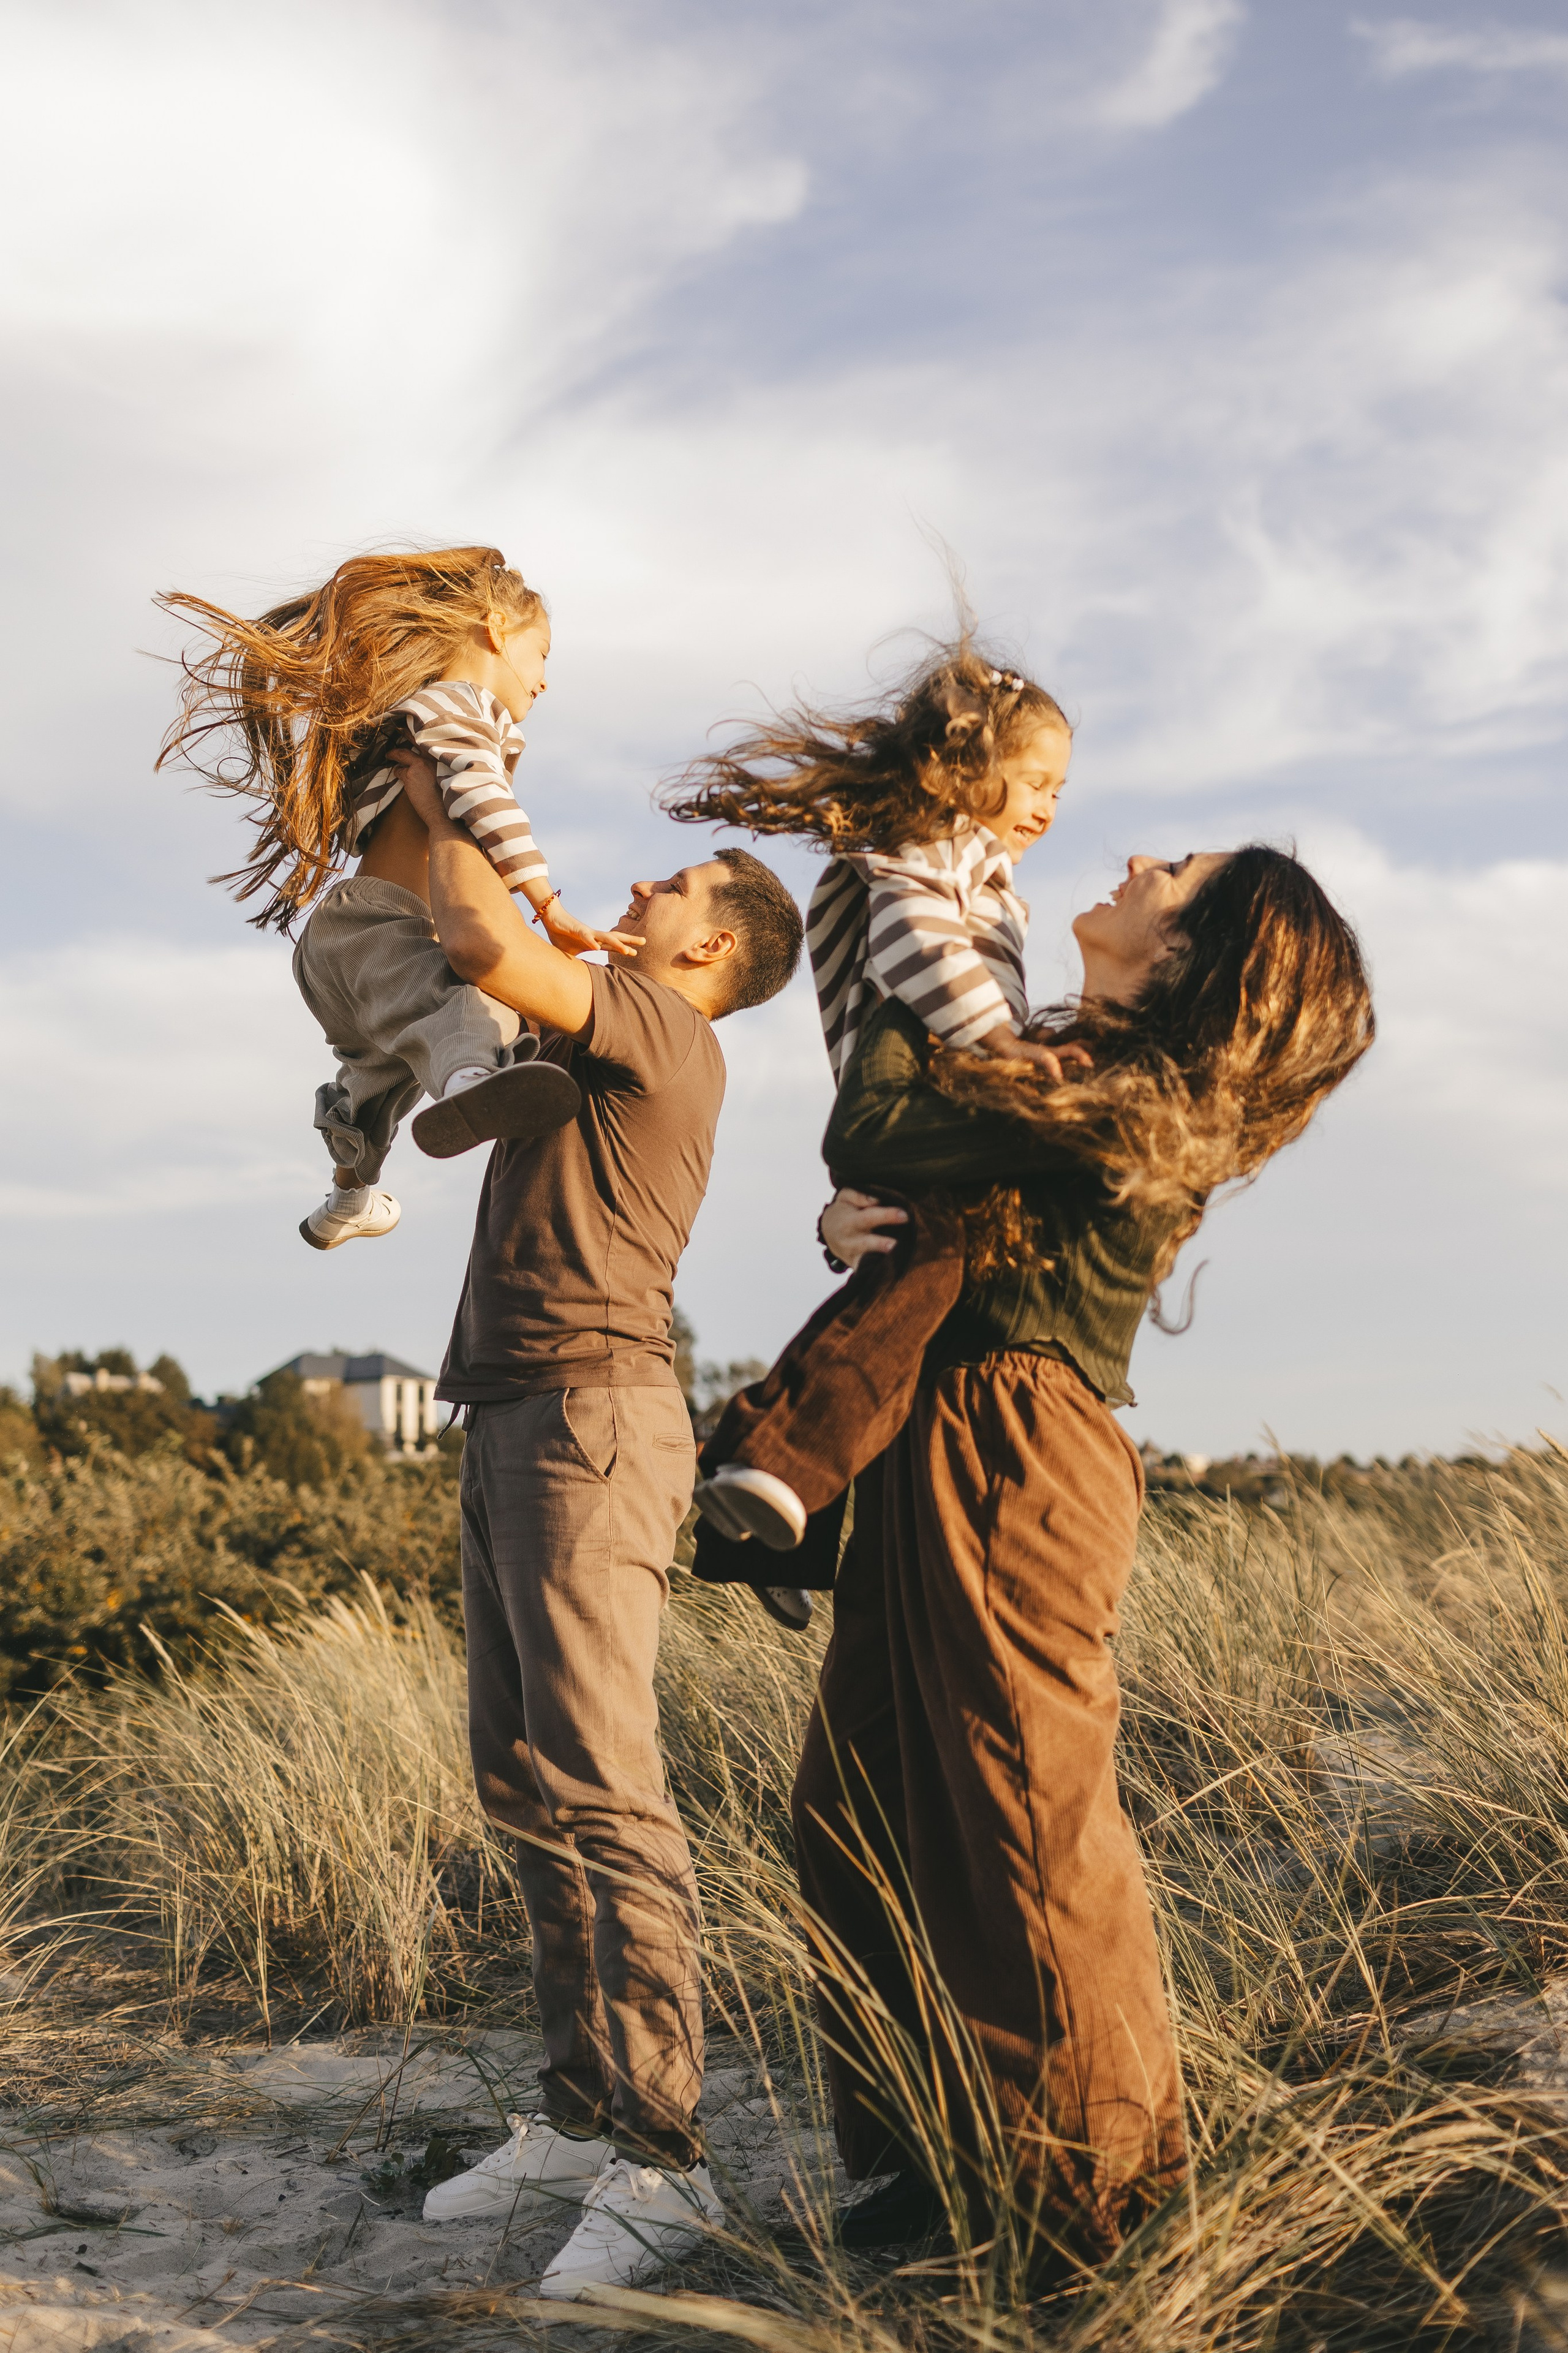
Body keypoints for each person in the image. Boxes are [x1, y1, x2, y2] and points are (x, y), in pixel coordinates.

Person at [780, 845, 1374, 2266]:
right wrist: (847, 1223)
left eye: (1172, 874)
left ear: (1187, 958)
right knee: (848, 1812)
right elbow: (892, 1174)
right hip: (944, 1425)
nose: (1131, 860)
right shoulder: (1052, 1061)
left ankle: (1093, 2222)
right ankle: (931, 2162)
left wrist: (911, 937)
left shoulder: (1120, 1099)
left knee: (1026, 1839)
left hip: (1011, 1442)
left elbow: (876, 1122)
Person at [384, 750, 804, 2300]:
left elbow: (488, 941)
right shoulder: (614, 1022)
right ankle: (577, 2110)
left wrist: (442, 781)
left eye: (667, 886)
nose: (635, 889)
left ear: (710, 945)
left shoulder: (663, 1024)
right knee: (519, 1776)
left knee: (603, 1786)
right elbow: (484, 960)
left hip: (590, 1424)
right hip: (516, 1416)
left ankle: (663, 2153)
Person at [660, 638, 1079, 1626]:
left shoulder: (977, 867)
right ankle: (766, 1463)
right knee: (922, 1278)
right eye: (1036, 780)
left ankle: (769, 1522)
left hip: (928, 1112)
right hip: (910, 1111)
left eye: (1061, 788)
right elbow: (913, 947)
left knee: (889, 1321)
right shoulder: (924, 855)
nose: (1051, 805)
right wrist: (1009, 1048)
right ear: (966, 769)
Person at [156, 547, 633, 1252]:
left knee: (378, 1082)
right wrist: (547, 903)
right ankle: (475, 1077)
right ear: (495, 630)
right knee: (472, 1001)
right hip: (381, 925)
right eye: (542, 655)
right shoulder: (462, 706)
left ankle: (351, 1193)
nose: (543, 681)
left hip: (346, 949)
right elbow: (484, 796)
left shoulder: (405, 725)